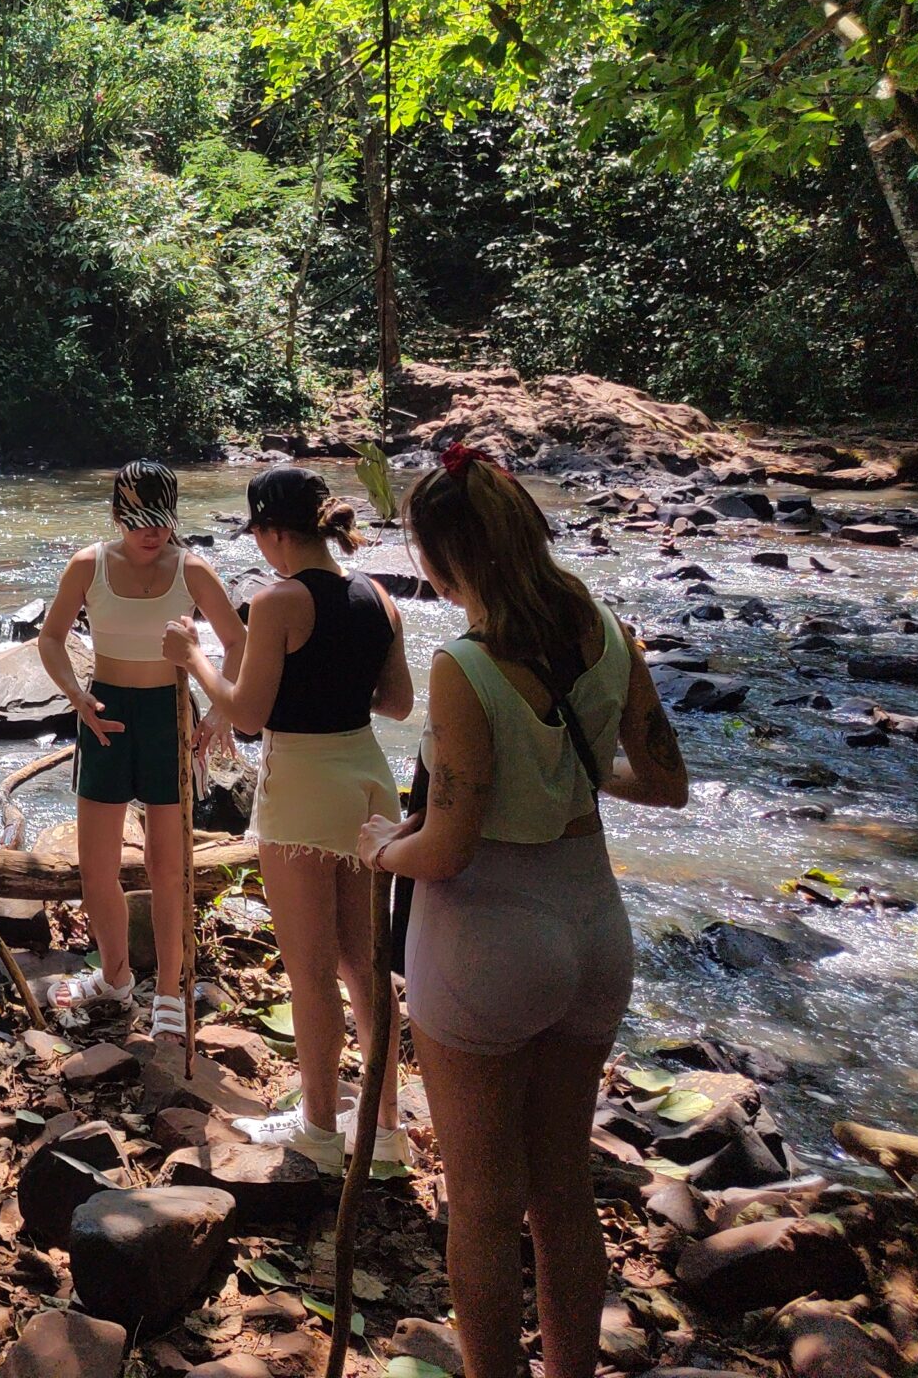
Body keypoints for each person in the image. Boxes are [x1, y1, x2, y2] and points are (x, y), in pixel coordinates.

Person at [356, 447, 688, 1378]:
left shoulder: (464, 663)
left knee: (484, 1203)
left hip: (487, 942)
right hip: (592, 927)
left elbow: (449, 845)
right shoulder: (608, 629)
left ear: (438, 555)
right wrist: (570, 776)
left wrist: (382, 846)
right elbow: (666, 782)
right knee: (564, 1193)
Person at [161, 467, 412, 1174]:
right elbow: (395, 702)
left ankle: (320, 1132)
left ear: (273, 532)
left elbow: (246, 715)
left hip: (301, 785)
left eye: (260, 537)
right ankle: (386, 1133)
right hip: (369, 781)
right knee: (367, 967)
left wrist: (195, 659)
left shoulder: (276, 601)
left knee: (309, 970)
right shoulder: (380, 597)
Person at [32, 460, 241, 1042]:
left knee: (166, 866)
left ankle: (171, 991)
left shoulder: (191, 569)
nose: (152, 533)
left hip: (169, 719)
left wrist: (221, 709)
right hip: (107, 717)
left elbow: (237, 641)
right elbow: (49, 638)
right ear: (118, 515)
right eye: (139, 520)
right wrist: (76, 697)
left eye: (162, 520)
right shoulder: (89, 565)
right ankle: (117, 977)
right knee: (97, 866)